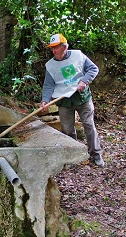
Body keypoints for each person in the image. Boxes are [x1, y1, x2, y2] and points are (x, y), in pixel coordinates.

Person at [40, 33, 105, 167]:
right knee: (67, 130)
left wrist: (84, 80)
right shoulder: (50, 65)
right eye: (52, 48)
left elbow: (93, 69)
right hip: (64, 101)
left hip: (82, 97)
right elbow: (48, 85)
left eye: (56, 47)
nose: (54, 51)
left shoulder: (78, 56)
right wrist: (45, 100)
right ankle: (73, 157)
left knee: (89, 125)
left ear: (65, 47)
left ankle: (96, 155)